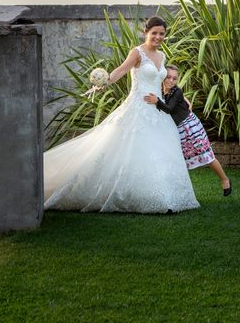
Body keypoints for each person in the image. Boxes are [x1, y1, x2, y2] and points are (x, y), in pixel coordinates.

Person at [43, 16, 200, 213]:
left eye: (162, 33)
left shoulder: (162, 56)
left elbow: (162, 83)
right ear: (146, 32)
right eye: (154, 33)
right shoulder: (137, 53)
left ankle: (164, 197)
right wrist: (105, 82)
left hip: (157, 112)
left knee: (158, 151)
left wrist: (181, 98)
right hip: (138, 107)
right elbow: (122, 70)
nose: (158, 37)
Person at [144, 65, 232, 196]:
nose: (171, 81)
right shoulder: (160, 90)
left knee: (205, 154)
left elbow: (169, 108)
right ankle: (176, 192)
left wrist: (157, 101)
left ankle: (225, 180)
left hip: (190, 126)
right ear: (162, 77)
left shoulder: (176, 92)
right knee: (179, 160)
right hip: (177, 130)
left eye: (175, 78)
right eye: (168, 77)